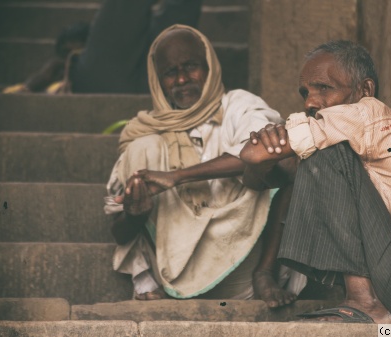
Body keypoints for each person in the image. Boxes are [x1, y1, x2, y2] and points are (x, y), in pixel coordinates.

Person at [240, 40, 391, 323]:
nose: (310, 102)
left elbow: (252, 153)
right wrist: (269, 148)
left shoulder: (365, 113)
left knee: (322, 153)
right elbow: (259, 176)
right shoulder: (366, 135)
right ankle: (364, 301)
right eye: (305, 92)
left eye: (324, 88)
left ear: (365, 90)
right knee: (313, 158)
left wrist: (265, 142)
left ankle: (363, 302)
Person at [104, 24, 303, 306]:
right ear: (158, 81)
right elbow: (120, 233)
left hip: (243, 265)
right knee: (143, 148)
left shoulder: (238, 105)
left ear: (209, 67)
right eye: (171, 73)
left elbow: (264, 150)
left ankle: (265, 272)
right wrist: (136, 214)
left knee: (283, 162)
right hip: (174, 272)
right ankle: (158, 286)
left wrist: (177, 176)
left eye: (191, 66)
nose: (183, 79)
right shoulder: (145, 131)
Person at [4, 0, 203, 94]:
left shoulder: (65, 69)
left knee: (178, 15)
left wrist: (28, 87)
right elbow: (53, 69)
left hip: (152, 86)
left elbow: (52, 69)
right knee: (180, 13)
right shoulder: (61, 70)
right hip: (156, 88)